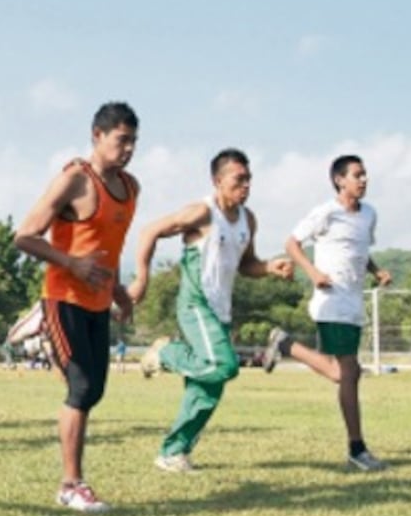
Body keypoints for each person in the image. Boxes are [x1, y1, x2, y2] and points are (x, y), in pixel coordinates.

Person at [128, 148, 293, 473]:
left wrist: (269, 267)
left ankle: (172, 453)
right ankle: (165, 354)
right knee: (225, 365)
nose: (246, 186)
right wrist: (142, 278)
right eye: (238, 179)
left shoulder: (249, 219)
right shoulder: (201, 213)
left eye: (249, 179)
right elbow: (149, 231)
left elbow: (247, 265)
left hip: (221, 310)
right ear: (217, 181)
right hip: (195, 304)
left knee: (208, 390)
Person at [14, 102, 140, 513]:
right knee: (81, 387)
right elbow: (25, 236)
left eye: (133, 142)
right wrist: (72, 264)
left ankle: (73, 482)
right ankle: (71, 484)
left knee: (95, 390)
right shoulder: (73, 180)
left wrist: (118, 289)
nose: (128, 150)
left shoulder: (131, 187)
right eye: (121, 140)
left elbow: (110, 244)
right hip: (63, 298)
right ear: (97, 136)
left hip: (98, 302)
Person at [262, 154, 391, 471]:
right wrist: (313, 272)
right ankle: (357, 448)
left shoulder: (369, 214)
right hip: (331, 300)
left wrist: (376, 271)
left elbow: (360, 251)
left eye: (365, 175)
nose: (363, 180)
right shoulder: (326, 213)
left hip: (354, 302)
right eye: (357, 175)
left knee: (344, 374)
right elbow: (292, 243)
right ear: (339, 180)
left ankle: (286, 345)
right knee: (349, 372)